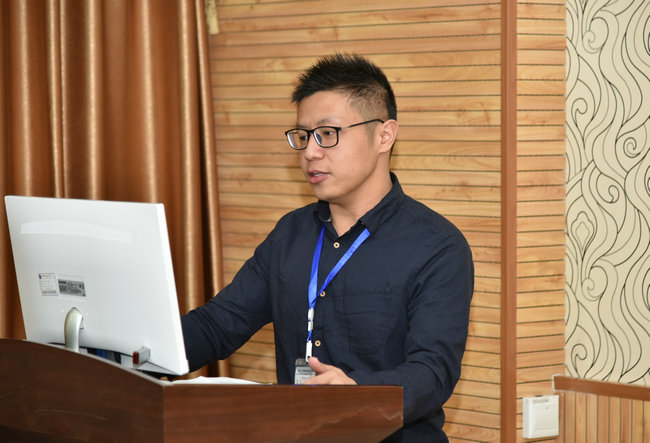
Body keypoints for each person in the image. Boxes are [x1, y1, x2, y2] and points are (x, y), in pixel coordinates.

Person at [181, 53, 474, 442]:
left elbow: (432, 372)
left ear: (384, 135)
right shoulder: (290, 233)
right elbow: (218, 325)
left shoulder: (437, 246)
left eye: (328, 133)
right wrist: (134, 350)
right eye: (304, 136)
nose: (310, 152)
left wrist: (356, 392)